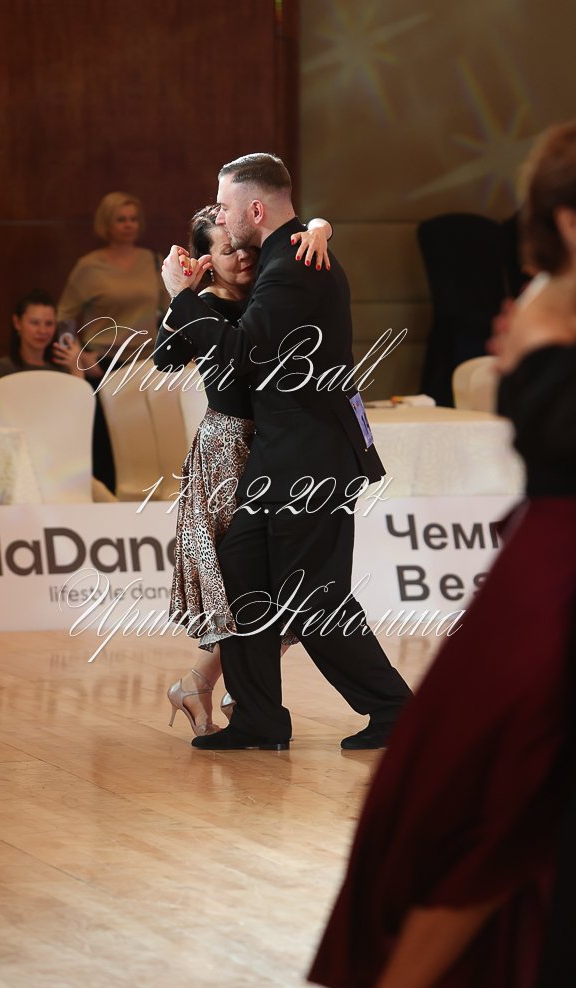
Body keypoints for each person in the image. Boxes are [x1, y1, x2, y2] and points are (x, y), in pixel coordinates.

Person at [308, 118, 576, 988]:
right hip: (559, 580)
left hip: (562, 569)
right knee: (491, 807)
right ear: (575, 222)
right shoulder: (540, 314)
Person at [161, 153, 412, 751]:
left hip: (310, 459)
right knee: (241, 568)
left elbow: (242, 352)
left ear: (254, 209)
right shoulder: (290, 252)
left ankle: (397, 712)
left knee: (313, 597)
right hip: (282, 455)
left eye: (226, 207)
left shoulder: (293, 263)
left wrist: (181, 297)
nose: (220, 217)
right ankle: (258, 718)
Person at [155, 206, 332, 736]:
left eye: (246, 246)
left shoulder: (268, 291)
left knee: (280, 579)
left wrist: (320, 228)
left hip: (276, 444)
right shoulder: (207, 304)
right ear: (206, 260)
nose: (243, 256)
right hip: (229, 452)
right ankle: (227, 688)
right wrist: (180, 296)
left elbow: (304, 224)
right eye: (228, 250)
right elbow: (165, 358)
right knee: (249, 582)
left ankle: (212, 685)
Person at [57, 191, 170, 490]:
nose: (128, 225)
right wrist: (77, 355)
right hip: (103, 364)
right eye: (121, 219)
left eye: (133, 219)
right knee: (106, 447)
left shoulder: (153, 261)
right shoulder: (89, 266)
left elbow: (170, 312)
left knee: (145, 442)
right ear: (106, 224)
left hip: (146, 365)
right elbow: (64, 317)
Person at [0, 288, 83, 387]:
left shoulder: (63, 369)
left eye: (49, 323)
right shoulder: (2, 368)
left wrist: (76, 368)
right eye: (35, 322)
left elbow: (79, 396)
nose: (42, 331)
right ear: (17, 323)